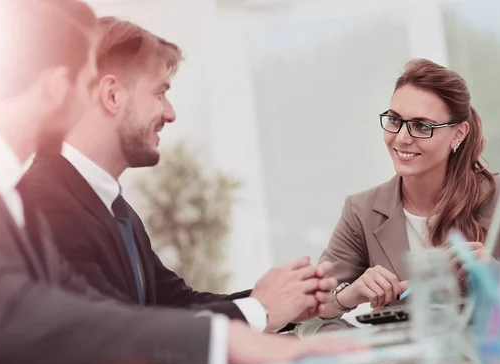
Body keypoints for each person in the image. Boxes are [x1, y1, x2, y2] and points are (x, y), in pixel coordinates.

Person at [0, 2, 361, 364]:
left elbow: (95, 310)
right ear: (56, 88)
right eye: (86, 83)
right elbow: (27, 314)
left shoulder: (0, 190)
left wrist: (253, 326)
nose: (91, 101)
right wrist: (229, 335)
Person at [19, 16, 335, 332]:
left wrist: (286, 301)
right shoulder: (44, 202)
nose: (170, 113)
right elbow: (117, 336)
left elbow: (175, 305)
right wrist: (260, 309)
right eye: (159, 93)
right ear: (112, 95)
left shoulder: (112, 205)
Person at [310, 58, 500, 320]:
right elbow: (309, 306)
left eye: (421, 126)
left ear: (458, 134)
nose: (402, 138)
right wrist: (349, 295)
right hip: (410, 361)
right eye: (394, 120)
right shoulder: (361, 212)